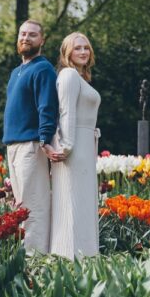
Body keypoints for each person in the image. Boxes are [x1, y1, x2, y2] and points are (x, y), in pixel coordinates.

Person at [2, 19, 59, 255]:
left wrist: (45, 139)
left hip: (32, 144)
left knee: (33, 205)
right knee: (21, 206)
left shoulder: (43, 69)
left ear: (42, 40)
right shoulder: (17, 72)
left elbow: (47, 107)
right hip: (14, 145)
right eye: (23, 34)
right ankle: (27, 254)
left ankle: (36, 259)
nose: (26, 38)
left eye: (32, 35)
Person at [48, 32, 101, 259]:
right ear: (67, 52)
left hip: (85, 144)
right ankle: (69, 256)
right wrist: (67, 146)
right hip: (74, 145)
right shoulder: (69, 75)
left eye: (86, 47)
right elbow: (66, 112)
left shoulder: (80, 78)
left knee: (84, 201)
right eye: (77, 48)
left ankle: (87, 255)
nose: (82, 52)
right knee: (72, 200)